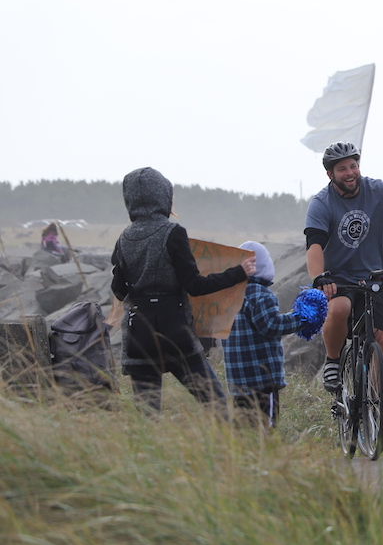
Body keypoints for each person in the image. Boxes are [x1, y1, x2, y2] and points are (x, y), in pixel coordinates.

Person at [304, 142, 383, 438]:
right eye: (342, 168)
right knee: (339, 308)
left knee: (382, 342)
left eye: (353, 166)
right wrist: (319, 278)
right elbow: (314, 247)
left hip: (377, 282)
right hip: (341, 280)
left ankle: (382, 414)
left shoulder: (378, 192)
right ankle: (333, 361)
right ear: (330, 174)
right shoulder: (322, 203)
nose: (350, 173)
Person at [110, 167, 256, 416]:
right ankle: (224, 451)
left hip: (139, 336)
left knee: (148, 417)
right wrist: (238, 273)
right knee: (216, 404)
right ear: (163, 197)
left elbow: (119, 290)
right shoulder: (173, 233)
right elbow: (195, 286)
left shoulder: (124, 239)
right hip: (175, 334)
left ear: (130, 200)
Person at [223, 240, 301, 429]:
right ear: (265, 267)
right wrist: (300, 319)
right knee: (266, 424)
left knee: (242, 425)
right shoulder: (262, 295)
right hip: (262, 378)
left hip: (238, 378)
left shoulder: (228, 296)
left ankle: (242, 456)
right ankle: (266, 454)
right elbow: (271, 325)